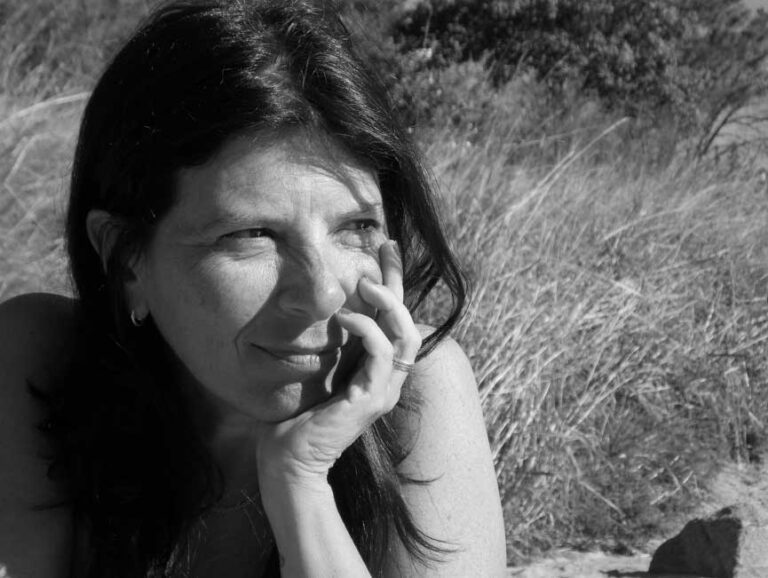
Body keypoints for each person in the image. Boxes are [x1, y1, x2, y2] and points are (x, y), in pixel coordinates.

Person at [0, 0, 506, 576]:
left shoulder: (420, 394)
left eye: (356, 228)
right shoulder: (38, 360)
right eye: (251, 236)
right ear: (126, 259)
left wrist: (301, 480)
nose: (322, 295)